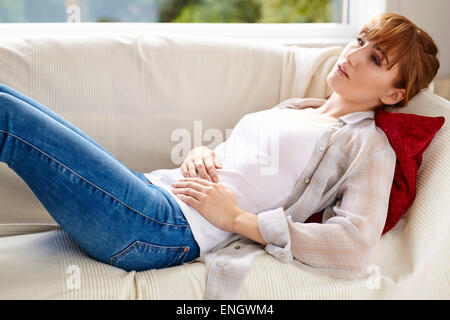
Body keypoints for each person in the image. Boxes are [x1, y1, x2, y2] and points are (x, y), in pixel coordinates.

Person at [0, 13, 439, 275]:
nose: (353, 54)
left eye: (376, 59)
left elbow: (352, 246)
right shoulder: (299, 107)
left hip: (159, 229)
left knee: (7, 120)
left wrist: (239, 219)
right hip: (150, 190)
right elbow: (241, 162)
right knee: (7, 99)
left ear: (394, 94)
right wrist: (201, 154)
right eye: (360, 40)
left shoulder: (369, 146)